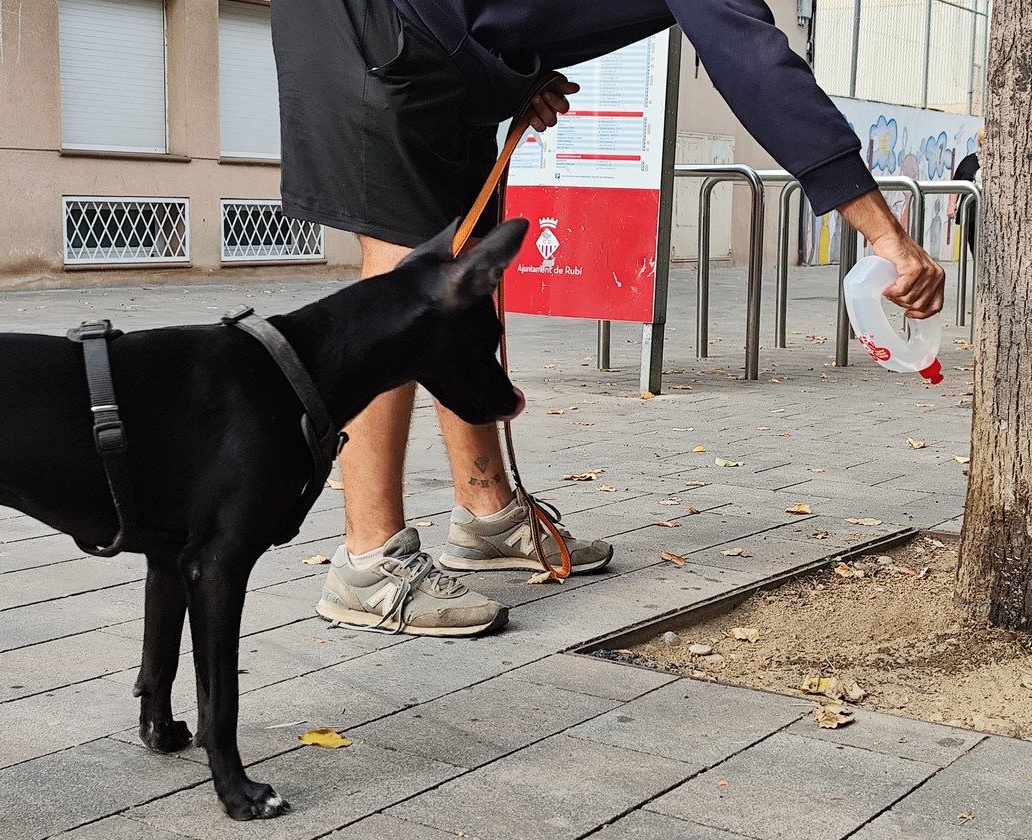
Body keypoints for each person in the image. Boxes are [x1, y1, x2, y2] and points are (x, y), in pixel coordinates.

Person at [271, 0, 946, 636]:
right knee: (403, 270)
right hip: (372, 27)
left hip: (447, 47)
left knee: (461, 262)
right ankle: (368, 560)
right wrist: (883, 231)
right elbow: (754, 58)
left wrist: (512, 71)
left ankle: (487, 515)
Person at [948, 128, 985, 255]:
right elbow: (956, 183)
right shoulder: (969, 161)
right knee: (975, 250)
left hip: (991, 215)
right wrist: (952, 204)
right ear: (980, 142)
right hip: (971, 215)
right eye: (984, 140)